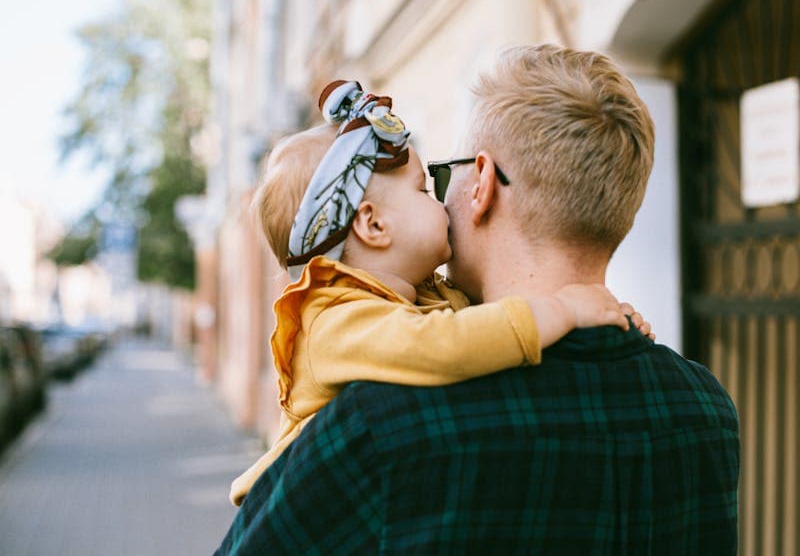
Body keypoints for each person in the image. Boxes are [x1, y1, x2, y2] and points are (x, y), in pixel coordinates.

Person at [216, 45, 738, 555]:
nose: (440, 201)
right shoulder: (703, 408)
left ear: (483, 184)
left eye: (441, 179)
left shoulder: (381, 422)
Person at [228, 79, 652, 506]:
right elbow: (450, 345)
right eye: (423, 190)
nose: (443, 203)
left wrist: (601, 314)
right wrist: (563, 310)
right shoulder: (336, 320)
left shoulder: (422, 297)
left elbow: (485, 324)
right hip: (305, 508)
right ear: (373, 225)